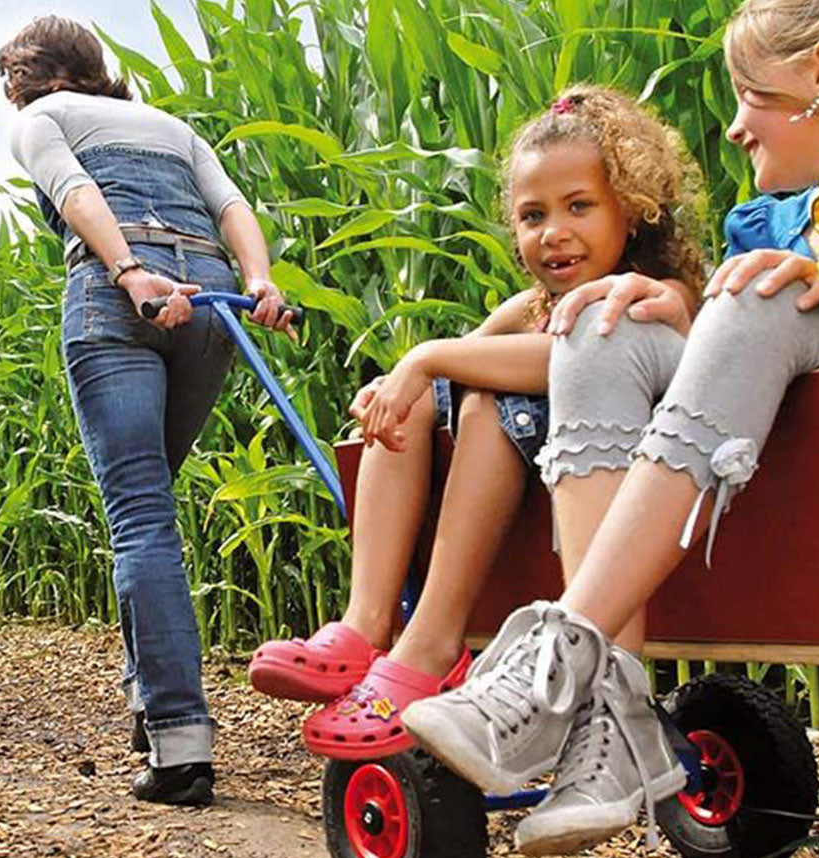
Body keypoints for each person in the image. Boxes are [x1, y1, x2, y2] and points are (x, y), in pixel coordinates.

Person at [402, 0, 819, 857]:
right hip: (740, 412)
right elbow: (713, 346)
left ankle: (562, 664)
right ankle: (613, 717)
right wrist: (677, 307)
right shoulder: (770, 222)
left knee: (756, 296)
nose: (737, 123)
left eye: (750, 92)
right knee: (605, 322)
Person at [250, 85, 705, 762]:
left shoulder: (654, 296)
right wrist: (403, 382)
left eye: (579, 206)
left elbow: (564, 360)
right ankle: (364, 623)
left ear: (633, 210)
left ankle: (431, 642)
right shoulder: (529, 306)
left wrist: (426, 354)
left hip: (622, 502)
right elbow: (468, 362)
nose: (553, 232)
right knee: (424, 398)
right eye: (531, 215)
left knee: (488, 402)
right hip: (539, 502)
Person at [0, 16, 295, 805]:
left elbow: (75, 191)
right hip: (211, 305)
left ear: (29, 77)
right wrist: (261, 280)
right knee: (151, 506)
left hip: (120, 302)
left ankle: (178, 743)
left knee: (140, 519)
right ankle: (147, 697)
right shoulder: (171, 125)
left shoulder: (42, 118)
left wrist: (129, 271)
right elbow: (232, 209)